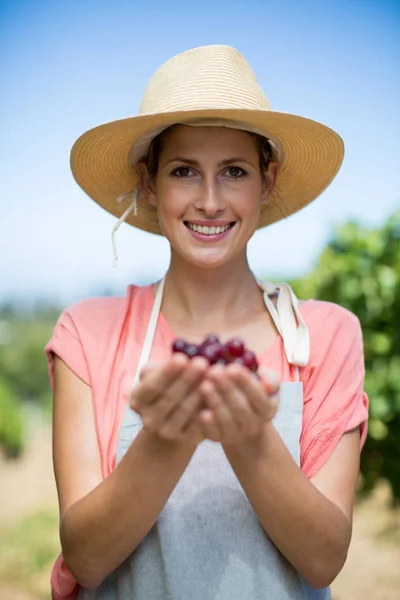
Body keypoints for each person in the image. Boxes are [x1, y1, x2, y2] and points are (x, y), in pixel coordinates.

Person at [45, 44, 369, 600]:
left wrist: (249, 440)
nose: (211, 201)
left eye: (235, 172)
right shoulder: (87, 333)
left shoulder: (326, 335)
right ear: (150, 183)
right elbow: (87, 558)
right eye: (184, 171)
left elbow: (323, 560)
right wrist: (167, 441)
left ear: (266, 183)